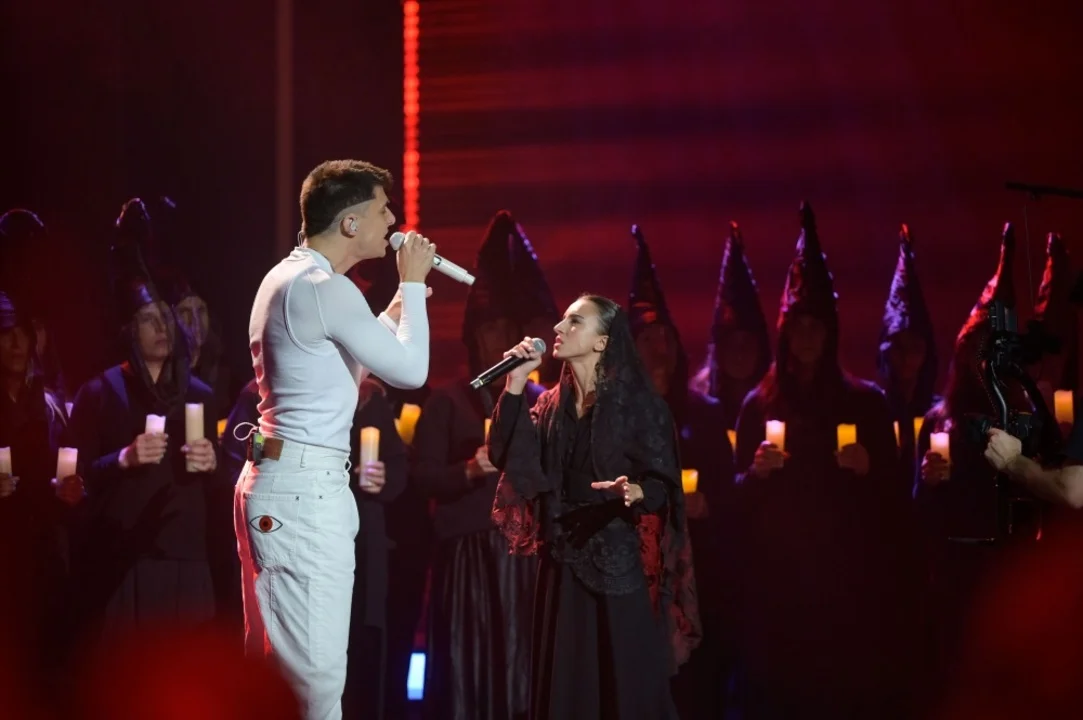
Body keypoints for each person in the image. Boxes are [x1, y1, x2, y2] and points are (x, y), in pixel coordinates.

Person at [236, 159, 434, 720]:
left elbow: (345, 366)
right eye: (383, 210)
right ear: (350, 223)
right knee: (315, 686)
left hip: (283, 484)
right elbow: (412, 371)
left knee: (277, 678)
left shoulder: (291, 278)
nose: (393, 221)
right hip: (304, 494)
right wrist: (412, 283)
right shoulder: (326, 287)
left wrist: (392, 312)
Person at [730, 203, 921, 719]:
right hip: (779, 591)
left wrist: (869, 470)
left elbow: (896, 501)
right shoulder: (758, 406)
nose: (808, 336)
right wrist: (755, 475)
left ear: (831, 331)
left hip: (844, 589)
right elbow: (734, 502)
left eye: (817, 325)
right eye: (800, 325)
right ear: (785, 332)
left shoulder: (866, 404)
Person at [489, 293, 700, 720]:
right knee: (567, 688)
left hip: (616, 568)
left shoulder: (639, 406)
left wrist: (636, 492)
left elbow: (664, 484)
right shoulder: (549, 407)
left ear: (603, 341)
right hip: (561, 566)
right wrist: (514, 385)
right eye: (562, 320)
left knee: (620, 688)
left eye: (574, 321)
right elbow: (506, 454)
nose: (558, 329)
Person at [67, 199, 219, 640]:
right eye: (148, 320)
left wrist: (213, 465)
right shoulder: (100, 392)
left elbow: (223, 481)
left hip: (187, 560)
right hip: (125, 560)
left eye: (165, 320)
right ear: (129, 330)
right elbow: (73, 479)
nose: (161, 329)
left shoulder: (199, 395)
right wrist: (123, 459)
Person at [414, 211, 542, 720]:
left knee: (520, 665)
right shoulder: (446, 402)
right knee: (469, 668)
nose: (499, 340)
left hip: (522, 556)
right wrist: (468, 470)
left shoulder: (540, 400)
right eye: (490, 330)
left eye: (507, 329)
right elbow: (421, 476)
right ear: (473, 338)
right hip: (467, 556)